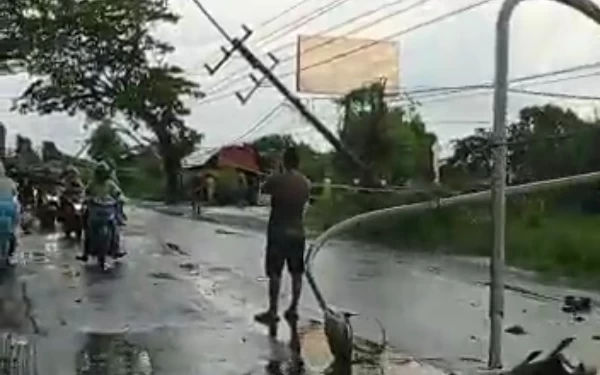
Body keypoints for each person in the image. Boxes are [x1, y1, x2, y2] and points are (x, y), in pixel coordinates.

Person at [255, 147, 311, 324]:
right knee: (296, 273)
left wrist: (275, 173)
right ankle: (293, 308)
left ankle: (273, 311)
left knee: (275, 273)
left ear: (284, 161)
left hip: (278, 231)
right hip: (298, 231)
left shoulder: (277, 179)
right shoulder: (305, 183)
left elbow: (261, 193)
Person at [77, 161, 125, 262]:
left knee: (115, 228)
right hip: (95, 209)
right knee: (88, 229)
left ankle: (116, 250)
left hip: (108, 208)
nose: (101, 175)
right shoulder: (92, 183)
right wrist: (86, 198)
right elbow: (86, 192)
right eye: (100, 172)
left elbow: (118, 193)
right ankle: (85, 253)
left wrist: (120, 197)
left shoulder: (110, 184)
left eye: (103, 172)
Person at [0, 162, 19, 258]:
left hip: (8, 208)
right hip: (9, 208)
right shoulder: (10, 181)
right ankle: (11, 254)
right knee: (12, 230)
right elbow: (15, 193)